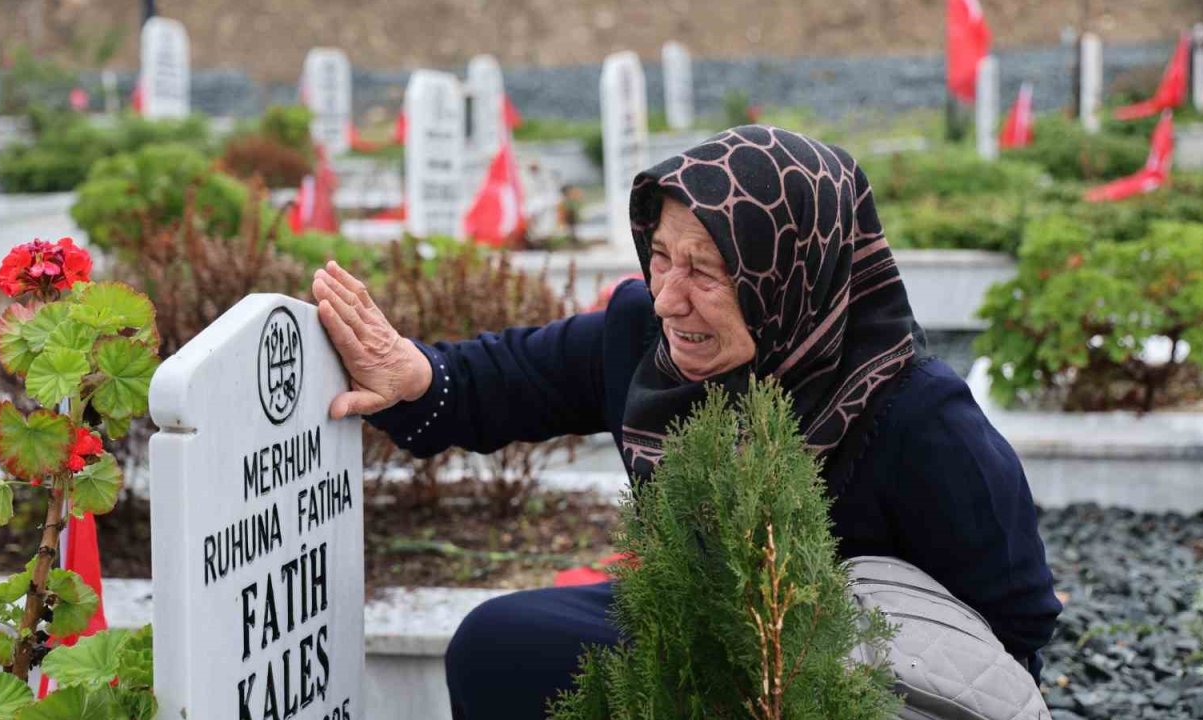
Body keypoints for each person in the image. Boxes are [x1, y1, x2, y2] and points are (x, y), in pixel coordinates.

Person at [311, 125, 1062, 720]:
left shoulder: (916, 414)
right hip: (701, 619)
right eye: (660, 257)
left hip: (857, 676)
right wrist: (418, 378)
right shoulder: (647, 338)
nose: (670, 296)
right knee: (500, 648)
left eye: (706, 270)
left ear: (790, 274)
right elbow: (513, 377)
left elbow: (1016, 623)